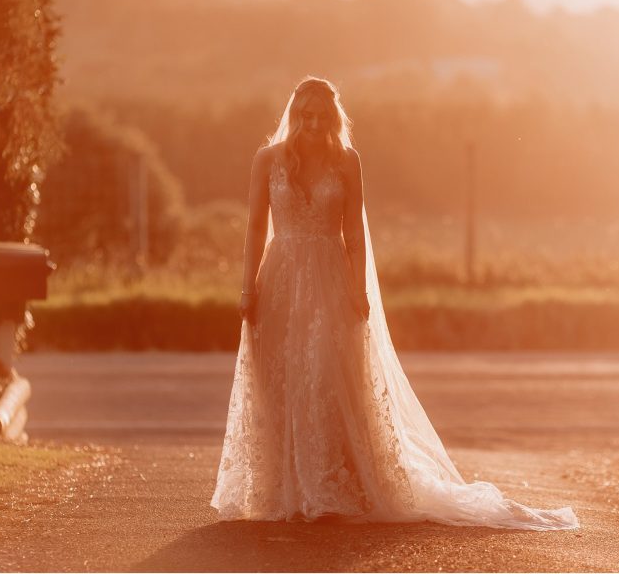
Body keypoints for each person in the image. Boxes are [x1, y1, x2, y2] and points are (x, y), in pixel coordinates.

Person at [210, 76, 578, 530]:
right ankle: (284, 488)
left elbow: (354, 233)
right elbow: (252, 228)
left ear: (331, 118)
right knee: (280, 379)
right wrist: (247, 288)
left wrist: (358, 289)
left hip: (330, 278)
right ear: (294, 114)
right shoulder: (268, 160)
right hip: (280, 276)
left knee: (324, 373)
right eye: (304, 116)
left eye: (320, 117)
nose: (311, 124)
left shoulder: (347, 161)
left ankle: (327, 487)